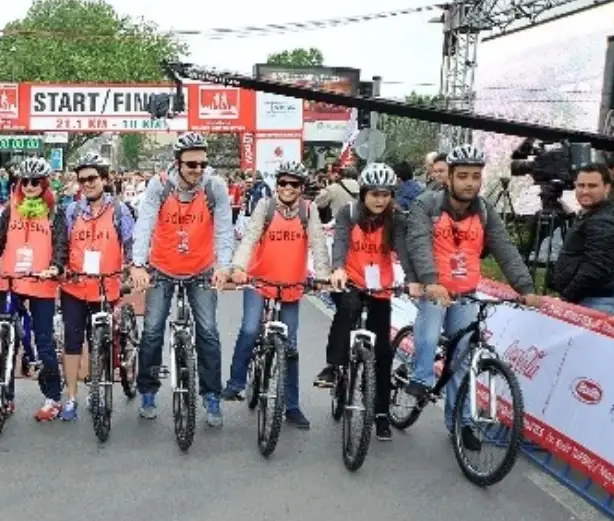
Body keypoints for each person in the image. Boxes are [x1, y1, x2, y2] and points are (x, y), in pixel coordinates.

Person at [404, 144, 542, 450]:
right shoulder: (426, 204)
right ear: (448, 178)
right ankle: (422, 379)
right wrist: (429, 282)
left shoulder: (484, 211)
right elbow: (418, 244)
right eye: (463, 176)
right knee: (428, 331)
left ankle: (462, 422)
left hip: (466, 291)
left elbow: (505, 249)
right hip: (435, 290)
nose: (470, 182)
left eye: (476, 177)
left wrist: (526, 289)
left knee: (464, 361)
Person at [129, 132, 233, 426]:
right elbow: (144, 224)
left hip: (201, 269)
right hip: (162, 268)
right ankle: (148, 390)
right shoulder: (159, 186)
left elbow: (225, 229)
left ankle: (212, 395)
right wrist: (138, 264)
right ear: (177, 163)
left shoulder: (215, 187)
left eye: (202, 164)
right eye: (191, 164)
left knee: (209, 332)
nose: (197, 170)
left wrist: (224, 266)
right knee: (151, 331)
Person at [227, 160, 330, 429]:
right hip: (259, 280)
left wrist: (322, 274)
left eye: (293, 184)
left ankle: (292, 406)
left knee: (291, 346)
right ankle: (236, 382)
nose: (286, 188)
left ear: (302, 188)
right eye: (282, 182)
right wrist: (238, 266)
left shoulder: (309, 210)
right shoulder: (266, 206)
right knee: (250, 329)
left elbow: (318, 243)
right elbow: (249, 238)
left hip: (291, 286)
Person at [316, 163, 411, 441]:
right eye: (374, 194)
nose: (380, 200)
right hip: (350, 279)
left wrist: (415, 279)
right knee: (348, 308)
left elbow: (404, 251)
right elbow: (341, 242)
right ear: (364, 193)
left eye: (386, 194)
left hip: (380, 285)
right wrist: (337, 268)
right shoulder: (349, 213)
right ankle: (334, 367)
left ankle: (380, 412)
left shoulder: (397, 218)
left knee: (382, 351)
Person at [0, 156, 64, 421]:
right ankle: (6, 397)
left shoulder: (55, 211)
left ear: (44, 184)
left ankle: (53, 397)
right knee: (6, 337)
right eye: (25, 182)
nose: (30, 186)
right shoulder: (11, 209)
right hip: (11, 281)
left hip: (41, 283)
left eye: (35, 182)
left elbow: (60, 246)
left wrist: (55, 267)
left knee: (43, 342)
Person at [52, 152, 134, 421]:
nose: (87, 183)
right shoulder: (71, 210)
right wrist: (59, 266)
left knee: (101, 343)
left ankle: (98, 388)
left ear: (104, 179)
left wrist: (132, 269)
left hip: (105, 288)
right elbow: (61, 245)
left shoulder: (120, 210)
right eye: (82, 179)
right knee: (73, 344)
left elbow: (131, 244)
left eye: (92, 178)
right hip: (74, 287)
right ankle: (72, 397)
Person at [547, 163, 614, 314]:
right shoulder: (595, 213)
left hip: (591, 302)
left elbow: (595, 268)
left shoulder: (604, 220)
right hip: (586, 299)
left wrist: (565, 298)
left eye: (592, 186)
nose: (585, 191)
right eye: (581, 185)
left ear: (607, 188)